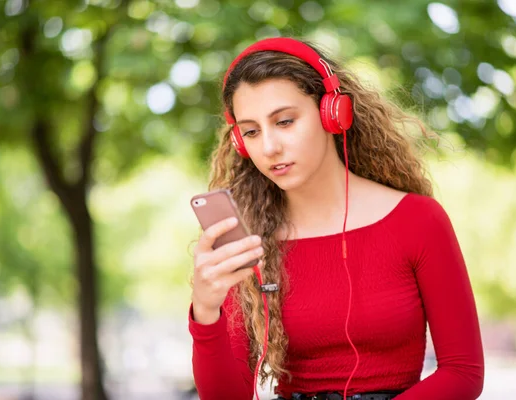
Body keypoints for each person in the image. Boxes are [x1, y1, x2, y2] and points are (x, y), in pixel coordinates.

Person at [187, 37, 484, 400]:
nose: (268, 147)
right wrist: (206, 309)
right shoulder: (249, 243)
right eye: (251, 131)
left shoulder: (418, 220)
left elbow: (463, 373)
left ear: (333, 113)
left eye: (284, 121)